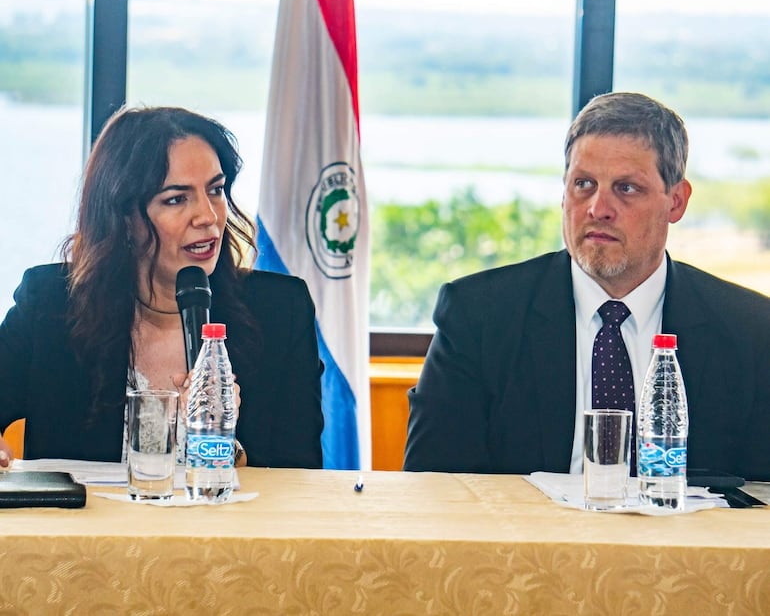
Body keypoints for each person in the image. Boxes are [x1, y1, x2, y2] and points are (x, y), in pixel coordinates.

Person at [404, 91, 770, 481]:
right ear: (563, 192)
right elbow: (433, 485)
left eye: (626, 188)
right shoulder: (478, 316)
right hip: (528, 541)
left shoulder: (750, 330)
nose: (598, 208)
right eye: (584, 184)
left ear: (676, 202)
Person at [0, 106, 324, 468]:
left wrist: (221, 442)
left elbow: (302, 470)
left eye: (215, 190)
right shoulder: (50, 303)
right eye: (176, 199)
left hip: (229, 526)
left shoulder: (280, 310)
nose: (208, 216)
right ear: (123, 217)